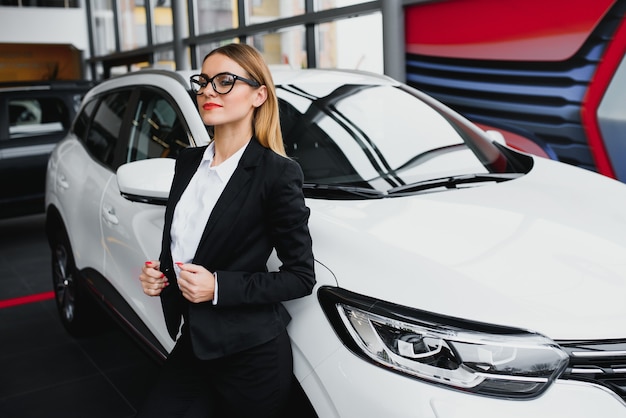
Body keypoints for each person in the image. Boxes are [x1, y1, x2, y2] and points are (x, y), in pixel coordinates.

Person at [137, 43, 316, 418]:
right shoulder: (187, 162)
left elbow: (300, 277)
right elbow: (185, 242)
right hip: (195, 341)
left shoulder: (277, 174)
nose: (207, 91)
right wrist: (161, 275)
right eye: (203, 82)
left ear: (259, 95)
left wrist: (218, 286)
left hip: (251, 355)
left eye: (224, 81)